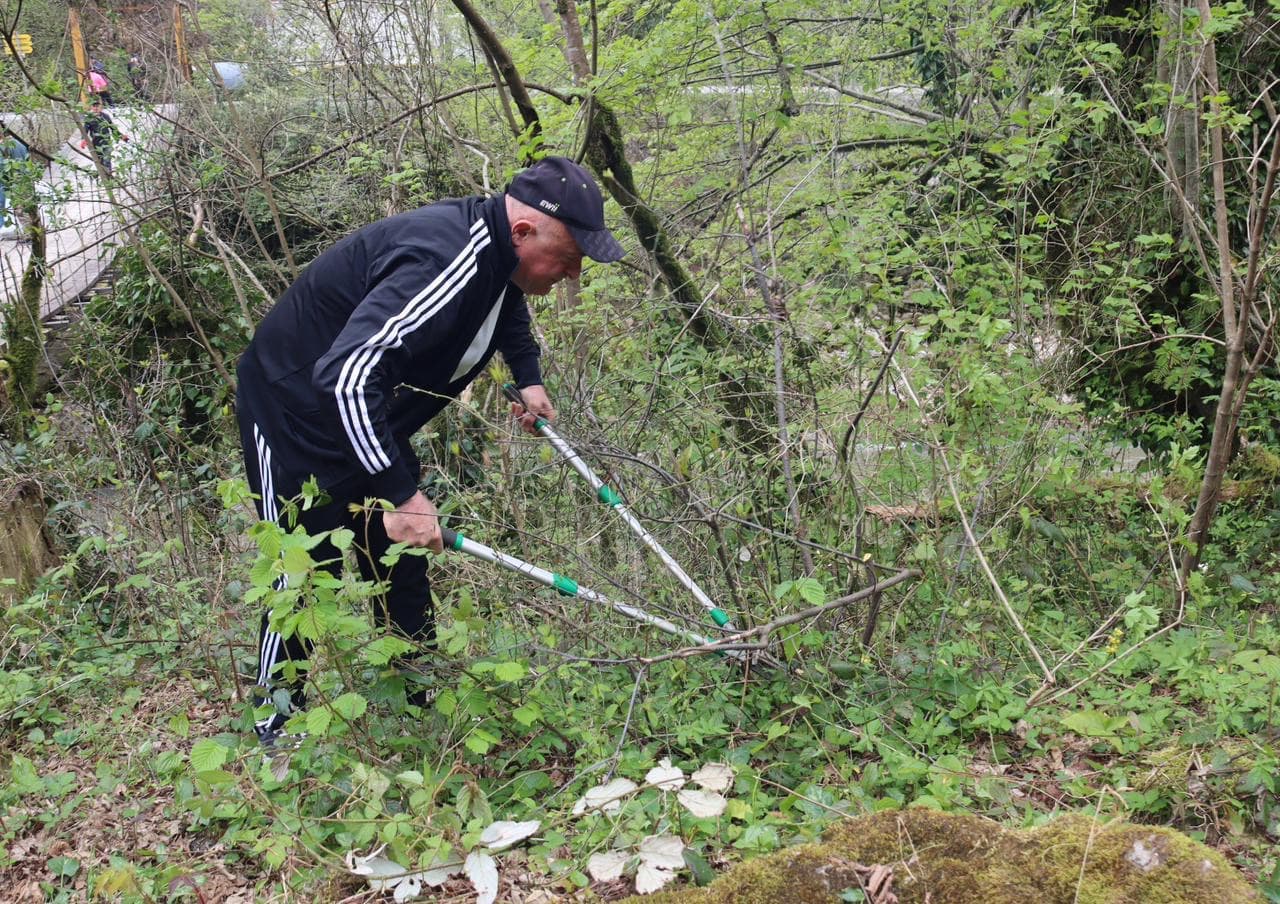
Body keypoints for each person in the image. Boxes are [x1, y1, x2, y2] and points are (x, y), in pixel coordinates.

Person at [235, 156, 625, 745]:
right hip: (294, 413)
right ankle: (274, 729)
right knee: (301, 576)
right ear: (524, 231)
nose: (570, 278)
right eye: (568, 261)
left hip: (370, 417)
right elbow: (343, 377)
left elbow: (505, 300)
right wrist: (401, 492)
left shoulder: (497, 252)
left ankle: (417, 706)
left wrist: (528, 374)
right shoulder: (444, 257)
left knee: (401, 565)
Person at [80, 100, 128, 175]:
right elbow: (85, 131)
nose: (96, 108)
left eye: (97, 106)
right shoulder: (89, 118)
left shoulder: (105, 116)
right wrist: (84, 140)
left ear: (100, 107)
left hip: (107, 142)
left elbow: (113, 128)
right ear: (91, 107)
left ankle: (109, 176)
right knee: (100, 162)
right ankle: (104, 178)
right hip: (96, 144)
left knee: (107, 160)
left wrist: (121, 136)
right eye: (94, 106)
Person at [0, 135, 30, 238]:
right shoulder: (17, 143)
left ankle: (30, 234)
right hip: (25, 178)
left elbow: (3, 168)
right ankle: (34, 231)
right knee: (29, 207)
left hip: (15, 182)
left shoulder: (3, 147)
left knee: (21, 210)